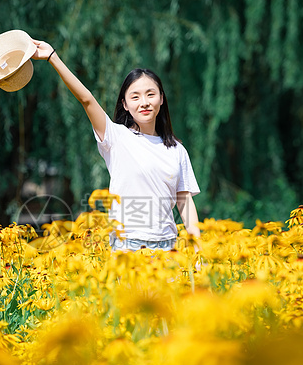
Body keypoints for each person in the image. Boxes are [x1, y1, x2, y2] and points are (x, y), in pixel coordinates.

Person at [31, 40, 200, 252]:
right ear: (125, 104)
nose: (144, 102)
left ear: (162, 99)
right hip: (128, 247)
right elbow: (87, 100)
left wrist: (197, 250)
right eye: (135, 97)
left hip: (168, 249)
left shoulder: (177, 150)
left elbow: (185, 203)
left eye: (151, 94)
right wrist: (52, 58)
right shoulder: (116, 138)